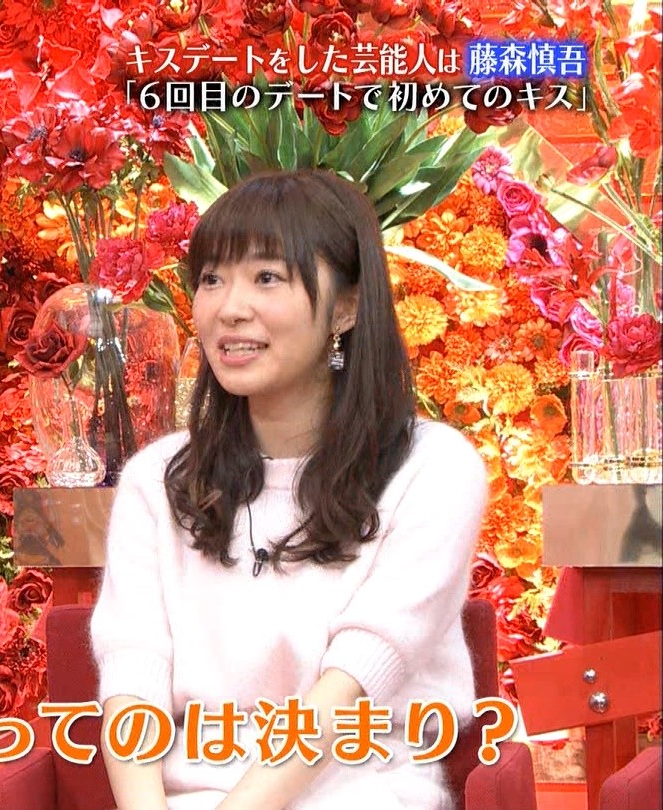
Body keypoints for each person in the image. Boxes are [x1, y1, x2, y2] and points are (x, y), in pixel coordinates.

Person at [91, 170, 488, 810]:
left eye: (267, 277)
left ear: (346, 307)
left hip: (364, 793)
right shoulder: (157, 481)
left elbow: (354, 680)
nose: (229, 307)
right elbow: (133, 674)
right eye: (212, 279)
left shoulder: (432, 468)